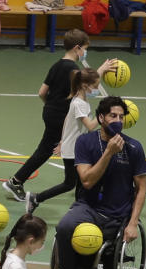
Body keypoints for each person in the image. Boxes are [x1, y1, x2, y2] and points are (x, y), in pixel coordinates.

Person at [2, 29, 116, 203]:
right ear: (77, 48)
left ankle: (77, 179)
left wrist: (51, 106)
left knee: (47, 149)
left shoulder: (57, 65)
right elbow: (84, 85)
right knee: (49, 150)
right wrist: (100, 70)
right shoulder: (72, 68)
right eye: (85, 49)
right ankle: (16, 182)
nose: (85, 53)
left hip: (49, 111)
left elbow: (42, 92)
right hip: (60, 117)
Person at [54, 96, 146, 269]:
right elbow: (86, 181)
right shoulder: (85, 142)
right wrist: (108, 153)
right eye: (113, 116)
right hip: (88, 207)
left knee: (108, 246)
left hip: (118, 214)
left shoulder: (134, 148)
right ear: (101, 118)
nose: (118, 121)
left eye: (121, 117)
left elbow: (141, 189)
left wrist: (133, 224)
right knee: (64, 227)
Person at [25, 68, 102, 215]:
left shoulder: (79, 99)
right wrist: (102, 115)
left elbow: (67, 120)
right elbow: (91, 126)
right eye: (96, 86)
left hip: (76, 148)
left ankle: (80, 207)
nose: (97, 89)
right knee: (69, 183)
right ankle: (37, 198)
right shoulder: (79, 103)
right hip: (73, 151)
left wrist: (61, 141)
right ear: (85, 86)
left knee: (82, 182)